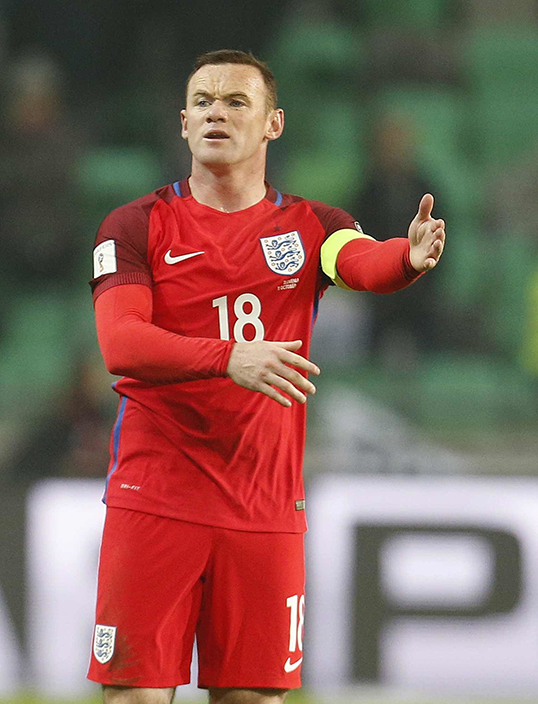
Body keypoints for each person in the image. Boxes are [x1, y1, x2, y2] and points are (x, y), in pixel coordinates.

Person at [87, 49, 445, 704]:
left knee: (253, 699)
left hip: (265, 509)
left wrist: (406, 256)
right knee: (135, 695)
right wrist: (229, 356)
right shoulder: (136, 225)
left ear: (274, 123)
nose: (216, 113)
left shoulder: (311, 227)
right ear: (183, 123)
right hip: (156, 497)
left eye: (236, 102)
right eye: (203, 102)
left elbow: (361, 261)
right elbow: (122, 343)